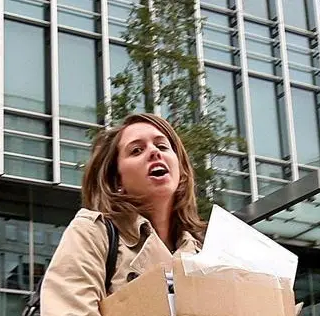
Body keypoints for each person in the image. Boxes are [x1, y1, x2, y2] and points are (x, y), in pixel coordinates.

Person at [40, 113, 207, 315]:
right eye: (136, 150)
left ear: (181, 171)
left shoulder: (205, 252)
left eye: (162, 146)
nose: (154, 152)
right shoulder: (93, 233)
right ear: (117, 181)